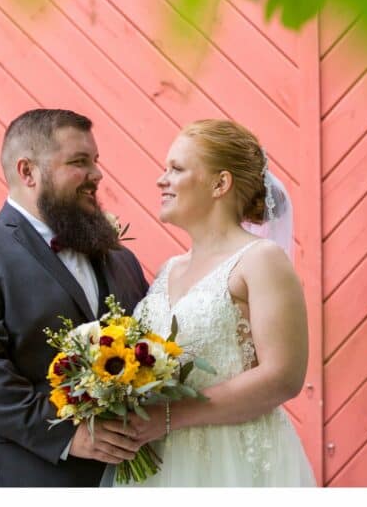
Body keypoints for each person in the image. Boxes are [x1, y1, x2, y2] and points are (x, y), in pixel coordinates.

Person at [0, 109, 149, 487]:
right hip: (18, 474)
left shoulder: (120, 259)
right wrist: (65, 434)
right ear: (27, 171)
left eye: (95, 161)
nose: (96, 175)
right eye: (79, 162)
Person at [116, 119, 316, 487]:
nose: (161, 180)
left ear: (220, 183)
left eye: (176, 169)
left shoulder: (261, 260)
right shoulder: (167, 269)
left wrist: (169, 415)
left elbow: (282, 378)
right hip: (162, 461)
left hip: (235, 460)